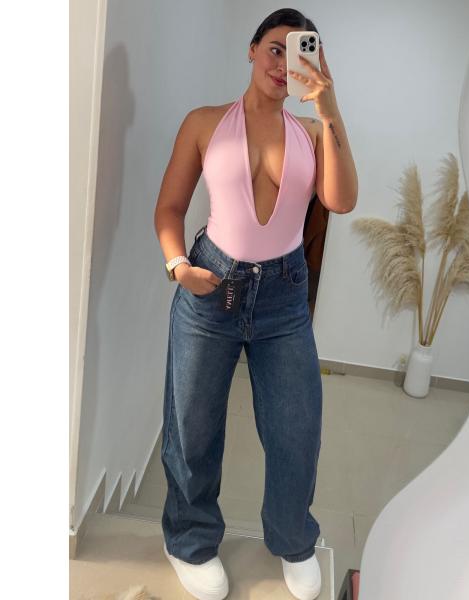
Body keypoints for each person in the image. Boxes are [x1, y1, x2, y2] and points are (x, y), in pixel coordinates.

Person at [154, 8, 357, 600]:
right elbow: (169, 208)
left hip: (284, 299)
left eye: (298, 52)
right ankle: (189, 541)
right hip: (210, 286)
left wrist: (329, 107)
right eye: (274, 48)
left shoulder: (313, 133)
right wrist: (178, 266)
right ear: (251, 50)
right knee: (192, 428)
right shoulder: (204, 122)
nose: (282, 63)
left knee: (297, 431)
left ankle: (294, 540)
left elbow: (342, 200)